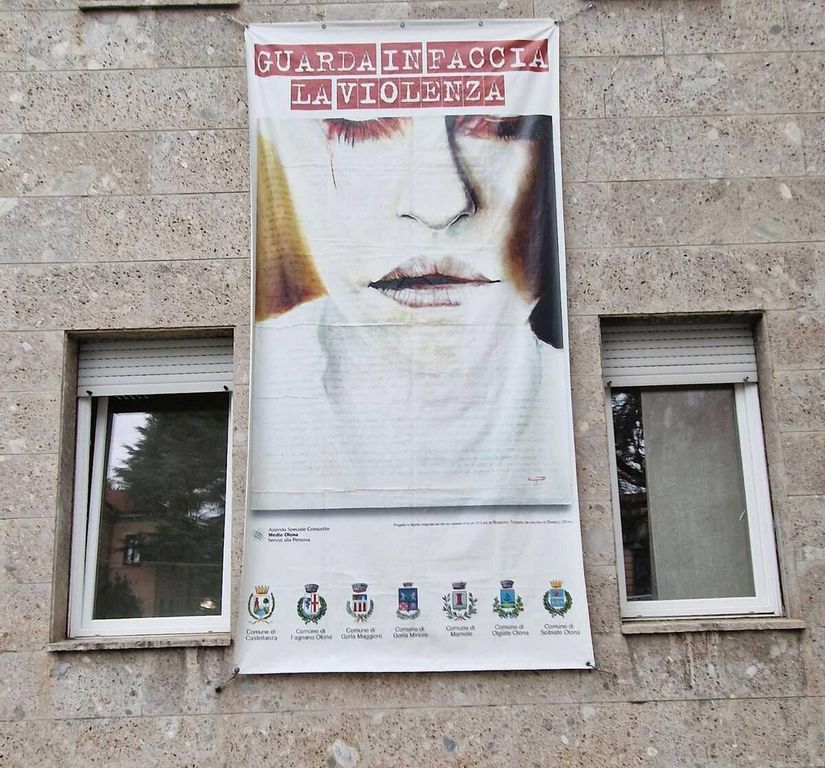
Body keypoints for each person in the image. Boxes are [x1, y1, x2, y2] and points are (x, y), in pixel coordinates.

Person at [248, 113, 572, 511]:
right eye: (358, 122)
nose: (440, 207)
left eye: (502, 122)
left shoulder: (573, 407)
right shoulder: (260, 402)